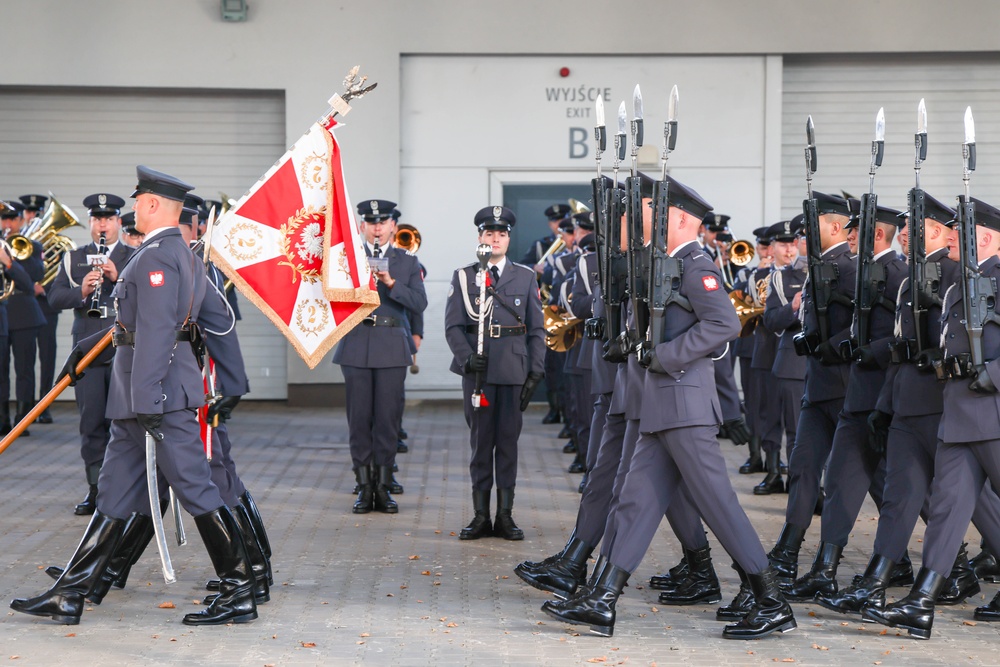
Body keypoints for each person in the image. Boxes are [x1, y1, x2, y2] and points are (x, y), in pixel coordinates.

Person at [541, 176, 795, 640]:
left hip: (683, 404)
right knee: (635, 502)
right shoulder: (662, 264)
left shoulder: (696, 263)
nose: (641, 219)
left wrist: (667, 356)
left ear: (677, 218)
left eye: (649, 211)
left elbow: (723, 324)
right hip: (659, 404)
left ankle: (771, 599)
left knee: (719, 506)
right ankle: (602, 599)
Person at [10, 165, 258, 627]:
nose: (132, 209)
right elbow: (132, 324)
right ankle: (72, 592)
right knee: (113, 491)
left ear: (152, 205)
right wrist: (85, 351)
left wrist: (146, 398)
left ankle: (241, 588)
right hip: (138, 396)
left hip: (156, 397)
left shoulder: (161, 255)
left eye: (138, 201)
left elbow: (162, 332)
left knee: (195, 488)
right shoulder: (167, 252)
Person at [864, 197, 1000, 639]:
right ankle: (921, 603)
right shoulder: (962, 283)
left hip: (993, 411)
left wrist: (992, 376)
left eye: (958, 231)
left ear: (983, 237)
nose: (950, 237)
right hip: (958, 412)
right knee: (946, 511)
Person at [783, 205, 908, 602]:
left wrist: (869, 350)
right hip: (857, 392)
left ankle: (951, 564)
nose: (849, 237)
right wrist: (837, 345)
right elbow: (855, 328)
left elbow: (904, 335)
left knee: (910, 486)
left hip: (885, 396)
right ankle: (825, 567)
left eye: (857, 232)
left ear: (877, 236)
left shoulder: (898, 275)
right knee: (839, 480)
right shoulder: (865, 272)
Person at [767, 192, 856, 586]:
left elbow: (862, 325)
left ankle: (943, 559)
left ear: (835, 227)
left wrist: (827, 344)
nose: (803, 234)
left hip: (847, 388)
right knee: (803, 467)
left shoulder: (853, 269)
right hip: (816, 386)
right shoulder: (814, 269)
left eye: (812, 226)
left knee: (876, 476)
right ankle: (788, 550)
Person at [444, 206, 545, 540]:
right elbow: (453, 326)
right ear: (480, 238)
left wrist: (535, 372)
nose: (496, 238)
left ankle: (505, 516)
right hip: (479, 375)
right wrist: (466, 357)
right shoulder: (465, 276)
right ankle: (479, 516)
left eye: (501, 234)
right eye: (489, 233)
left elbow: (536, 331)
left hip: (513, 370)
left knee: (507, 445)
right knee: (480, 444)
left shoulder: (526, 277)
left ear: (508, 239)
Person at [332, 199, 427, 514]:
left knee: (387, 418)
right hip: (357, 341)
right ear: (362, 227)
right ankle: (364, 486)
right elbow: (332, 298)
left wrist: (391, 283)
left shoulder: (407, 262)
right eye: (370, 222)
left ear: (392, 227)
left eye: (383, 221)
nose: (377, 227)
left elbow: (418, 303)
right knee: (359, 418)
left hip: (390, 342)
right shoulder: (348, 258)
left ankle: (384, 487)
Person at [48, 193, 134, 515]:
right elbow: (54, 298)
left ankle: (123, 489)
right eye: (97, 219)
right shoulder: (74, 258)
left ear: (118, 222)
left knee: (124, 421)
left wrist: (116, 277)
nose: (103, 224)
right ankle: (96, 491)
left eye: (109, 219)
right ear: (90, 223)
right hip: (87, 346)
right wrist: (81, 292)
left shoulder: (134, 255)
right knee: (91, 420)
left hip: (123, 345)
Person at [758, 218, 807, 494]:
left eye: (795, 242)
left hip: (812, 361)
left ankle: (807, 482)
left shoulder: (817, 272)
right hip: (780, 357)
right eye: (785, 243)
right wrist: (794, 307)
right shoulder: (780, 277)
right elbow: (772, 318)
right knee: (775, 419)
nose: (791, 248)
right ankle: (775, 470)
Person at [0, 201, 45, 436]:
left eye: (12, 219)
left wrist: (9, 262)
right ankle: (2, 420)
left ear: (19, 221)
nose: (7, 224)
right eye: (3, 219)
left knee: (24, 370)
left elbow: (32, 281)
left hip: (24, 313)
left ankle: (22, 420)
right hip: (2, 312)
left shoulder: (32, 246)